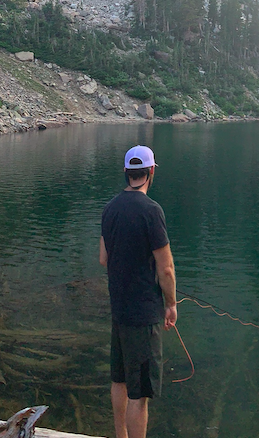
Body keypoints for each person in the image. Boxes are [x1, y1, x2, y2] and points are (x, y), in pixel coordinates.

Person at [100, 145, 176, 438]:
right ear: (151, 172)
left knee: (119, 380)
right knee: (139, 394)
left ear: (126, 173)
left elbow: (104, 259)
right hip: (144, 316)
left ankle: (121, 435)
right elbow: (166, 268)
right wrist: (170, 304)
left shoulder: (110, 208)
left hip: (119, 311)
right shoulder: (152, 211)